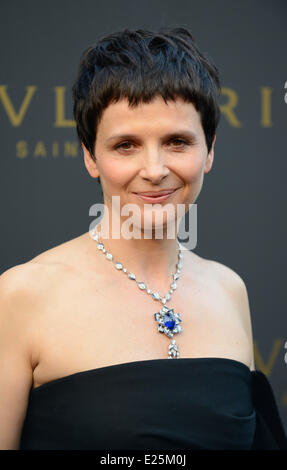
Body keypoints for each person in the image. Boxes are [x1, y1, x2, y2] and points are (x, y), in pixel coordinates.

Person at [0, 27, 286, 450]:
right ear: (90, 156)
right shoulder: (21, 296)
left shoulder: (229, 290)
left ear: (209, 150)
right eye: (126, 145)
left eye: (177, 142)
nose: (154, 169)